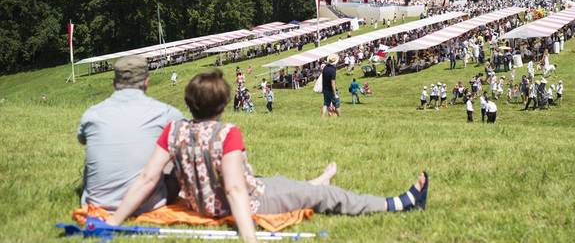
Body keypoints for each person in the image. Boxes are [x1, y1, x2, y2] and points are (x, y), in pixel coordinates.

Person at [106, 71, 429, 243]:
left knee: (279, 182)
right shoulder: (227, 133)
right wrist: (250, 236)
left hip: (202, 202)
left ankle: (312, 183)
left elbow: (148, 178)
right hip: (249, 202)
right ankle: (401, 203)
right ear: (222, 104)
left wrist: (112, 222)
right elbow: (234, 189)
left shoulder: (173, 130)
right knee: (326, 196)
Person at [77, 56, 184, 213]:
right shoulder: (166, 113)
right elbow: (190, 136)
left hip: (97, 203)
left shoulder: (92, 114)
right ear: (146, 82)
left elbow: (82, 139)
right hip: (148, 203)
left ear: (114, 83)